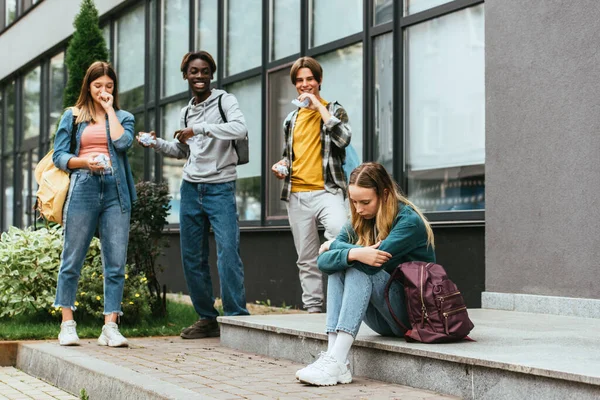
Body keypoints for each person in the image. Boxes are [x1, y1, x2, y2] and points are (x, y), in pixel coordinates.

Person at [137, 51, 249, 339]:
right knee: (192, 256)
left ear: (211, 74)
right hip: (190, 188)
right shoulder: (186, 110)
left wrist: (198, 128)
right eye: (193, 71)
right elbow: (183, 151)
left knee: (227, 252)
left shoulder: (225, 101)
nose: (199, 76)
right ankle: (207, 319)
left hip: (221, 186)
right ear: (185, 75)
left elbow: (239, 128)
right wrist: (158, 143)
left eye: (204, 71)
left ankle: (237, 317)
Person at [295, 162, 436, 386]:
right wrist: (354, 252)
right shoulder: (361, 220)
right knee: (342, 266)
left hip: (412, 317)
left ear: (385, 194)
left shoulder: (408, 221)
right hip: (383, 318)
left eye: (365, 202)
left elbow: (371, 265)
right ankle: (334, 357)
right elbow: (323, 262)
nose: (358, 208)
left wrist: (336, 247)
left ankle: (336, 359)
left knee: (358, 268)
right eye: (353, 201)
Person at [52, 61, 137, 347]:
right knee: (72, 258)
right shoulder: (73, 116)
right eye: (98, 85)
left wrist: (110, 110)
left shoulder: (124, 116)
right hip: (83, 187)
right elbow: (59, 156)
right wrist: (84, 162)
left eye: (109, 86)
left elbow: (123, 144)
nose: (103, 90)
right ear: (88, 86)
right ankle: (67, 324)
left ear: (115, 88)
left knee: (115, 263)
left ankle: (110, 327)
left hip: (116, 191)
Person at [271, 56, 351, 314]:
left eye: (310, 79)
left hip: (328, 190)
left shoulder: (335, 110)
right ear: (295, 84)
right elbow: (290, 154)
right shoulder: (290, 119)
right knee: (306, 258)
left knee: (339, 237)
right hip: (297, 194)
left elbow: (343, 139)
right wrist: (282, 165)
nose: (305, 85)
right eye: (300, 80)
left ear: (319, 81)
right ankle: (313, 308)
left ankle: (338, 302)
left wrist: (319, 107)